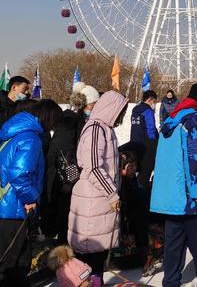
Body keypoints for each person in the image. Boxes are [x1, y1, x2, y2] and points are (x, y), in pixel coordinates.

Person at [151, 82, 197, 287]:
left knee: (174, 244)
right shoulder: (193, 120)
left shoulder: (172, 119)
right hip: (190, 196)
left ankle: (170, 282)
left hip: (171, 197)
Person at [68, 91, 128, 282]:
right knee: (90, 257)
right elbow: (93, 167)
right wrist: (112, 194)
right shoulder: (96, 129)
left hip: (99, 199)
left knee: (98, 256)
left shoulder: (105, 128)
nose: (121, 116)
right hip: (93, 200)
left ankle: (95, 282)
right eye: (120, 112)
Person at [0, 99, 60, 286]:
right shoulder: (31, 139)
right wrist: (31, 198)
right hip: (14, 209)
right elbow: (19, 174)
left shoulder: (14, 134)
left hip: (5, 206)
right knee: (16, 263)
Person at [44, 83, 99, 243]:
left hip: (63, 174)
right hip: (63, 177)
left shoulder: (74, 119)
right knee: (62, 213)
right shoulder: (70, 121)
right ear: (85, 104)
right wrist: (71, 179)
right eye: (93, 105)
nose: (94, 108)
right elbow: (64, 152)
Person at [130, 90, 158, 189]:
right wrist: (154, 142)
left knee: (135, 169)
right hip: (146, 144)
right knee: (145, 171)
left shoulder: (135, 109)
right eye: (154, 101)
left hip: (134, 142)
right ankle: (143, 192)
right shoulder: (148, 111)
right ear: (150, 100)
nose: (154, 104)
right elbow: (151, 129)